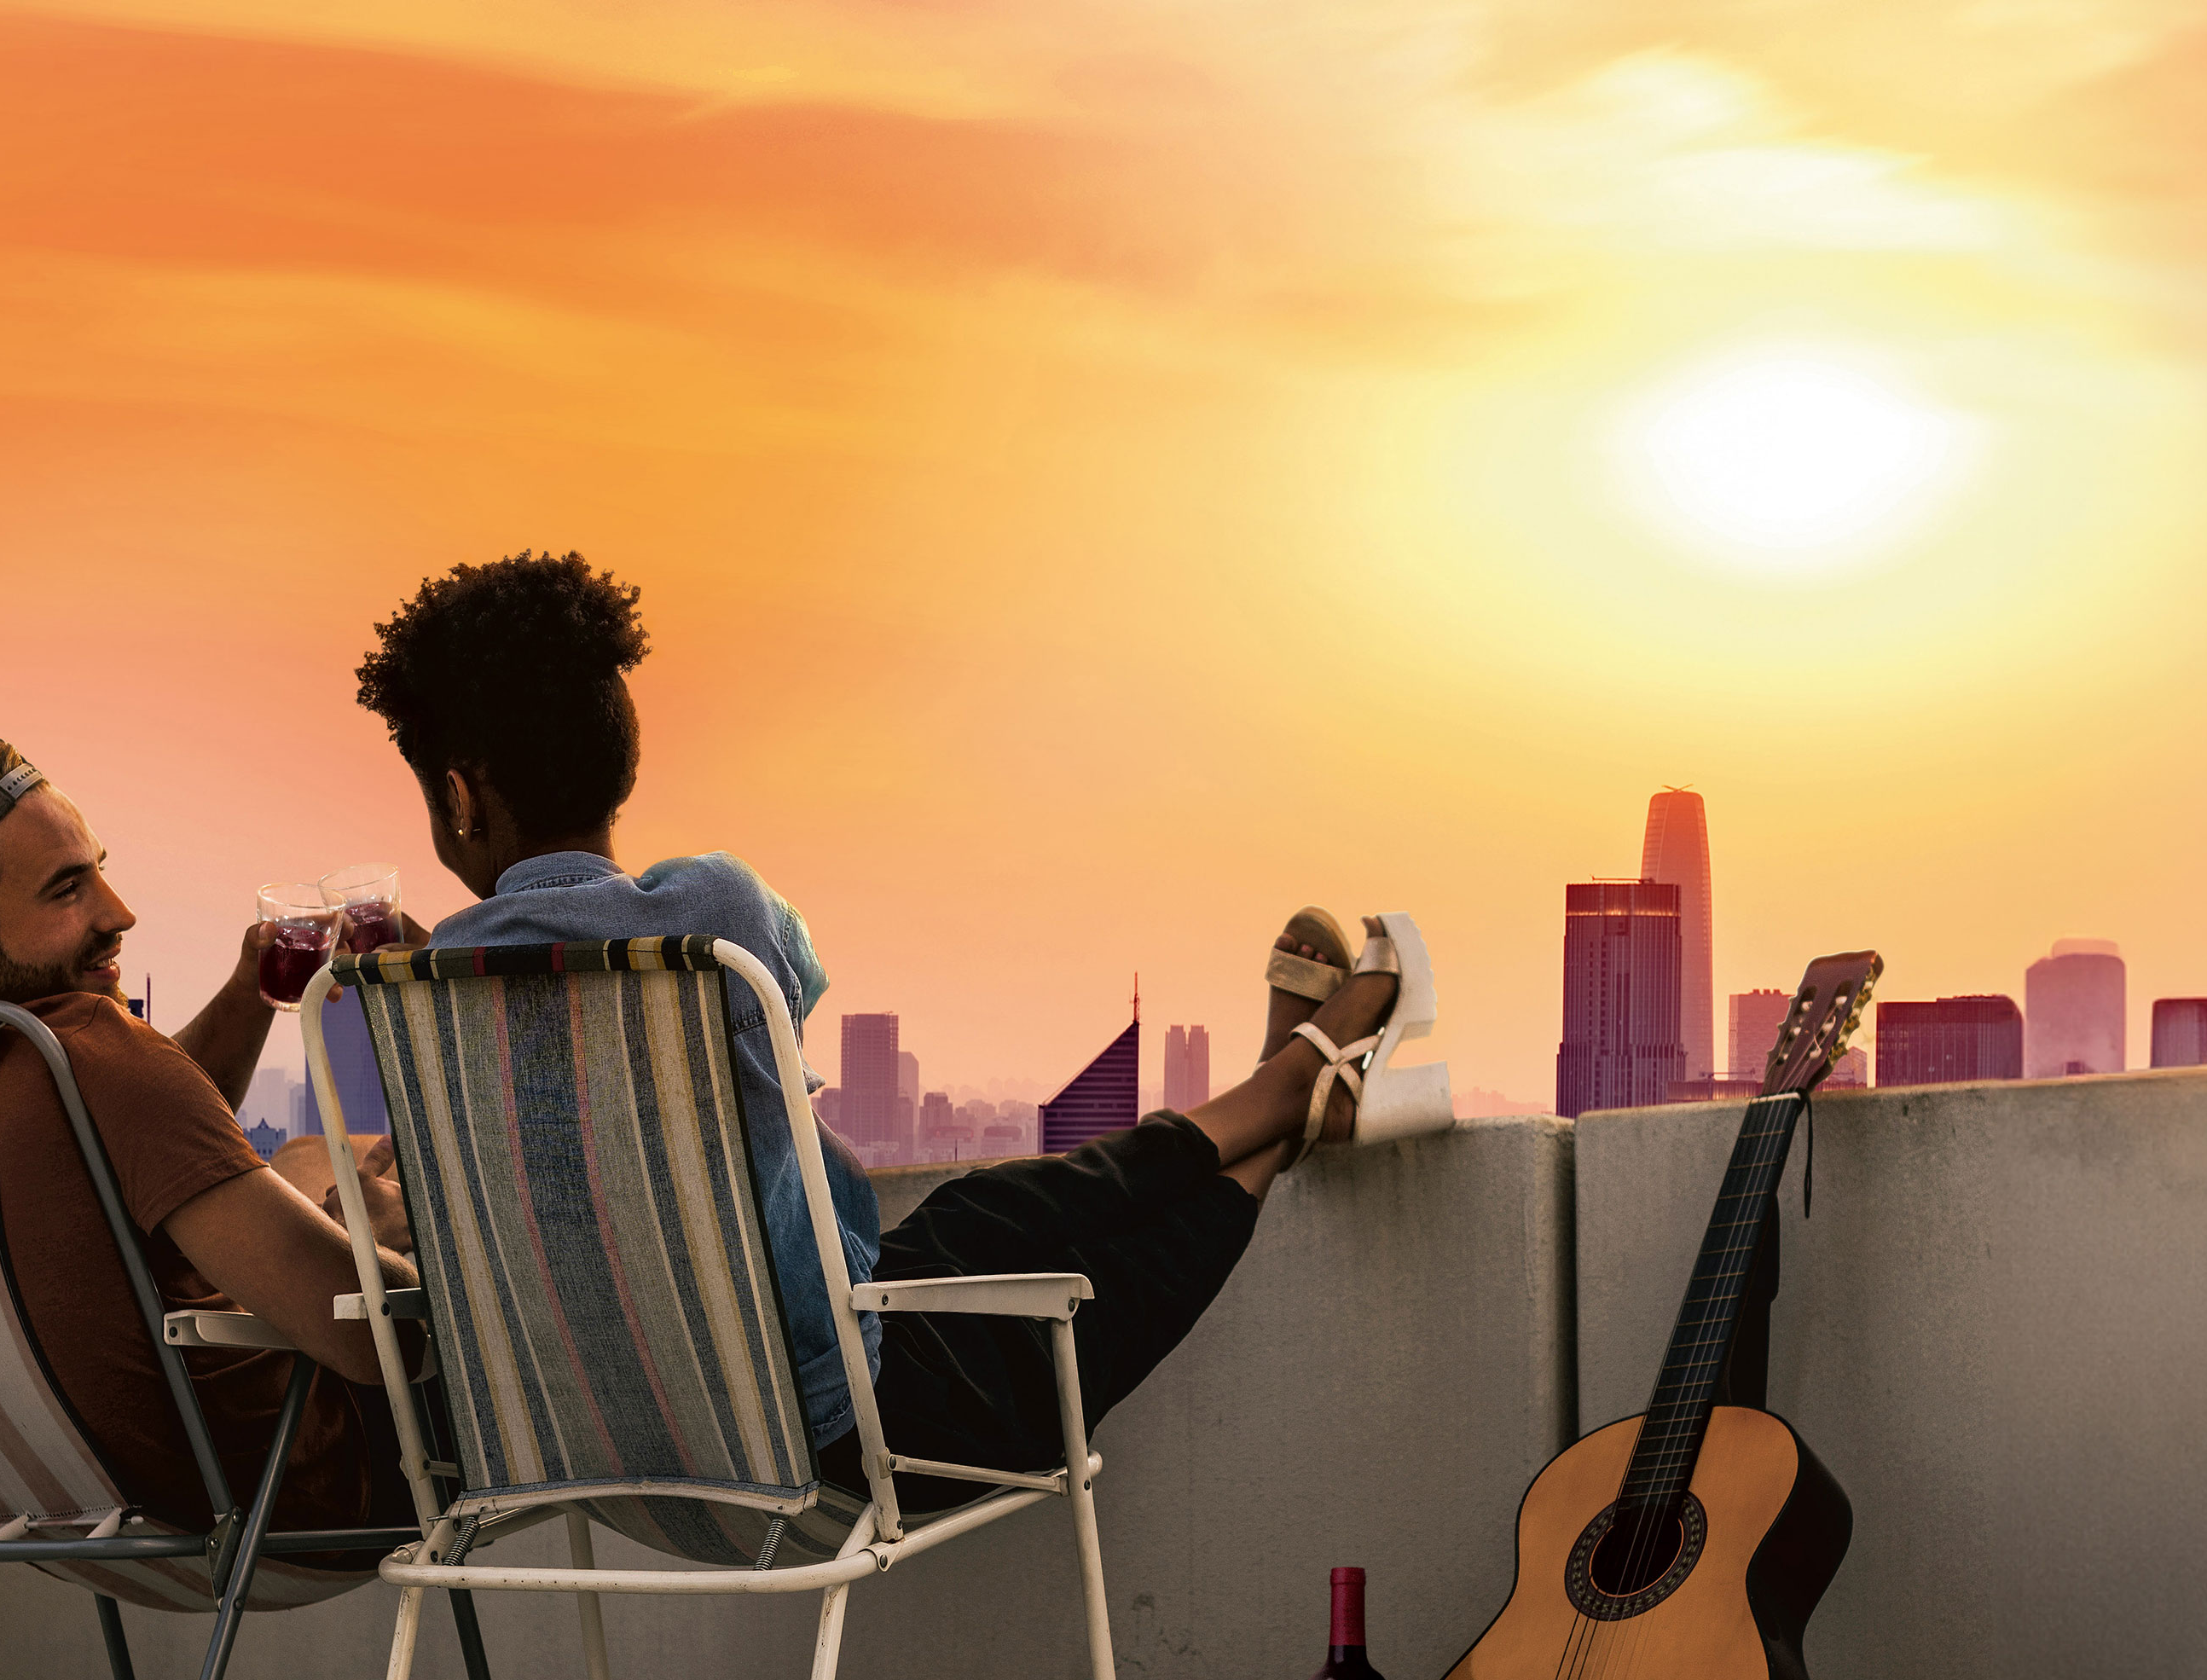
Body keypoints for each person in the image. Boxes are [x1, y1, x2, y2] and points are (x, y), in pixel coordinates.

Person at [352, 551, 1445, 1520]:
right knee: (1062, 1267)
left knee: (981, 1213)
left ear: (456, 796)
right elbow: (797, 971)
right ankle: (1291, 1094)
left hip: (596, 1453)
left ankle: (1288, 1094)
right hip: (837, 1444)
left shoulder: (422, 1002)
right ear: (621, 755)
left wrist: (449, 955)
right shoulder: (710, 912)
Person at [0, 736, 420, 1538]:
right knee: (395, 1193)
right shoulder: (90, 1053)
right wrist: (397, 1237)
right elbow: (380, 1343)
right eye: (69, 889)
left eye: (98, 869)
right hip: (294, 1489)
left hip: (27, 1509)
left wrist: (248, 995)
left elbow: (139, 1130)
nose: (119, 912)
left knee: (309, 1158)